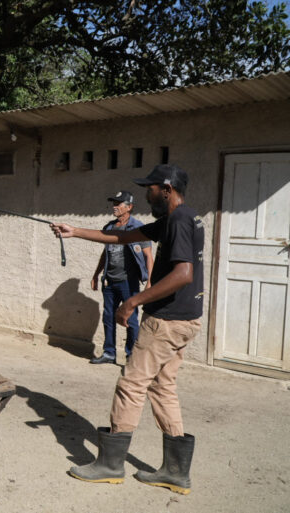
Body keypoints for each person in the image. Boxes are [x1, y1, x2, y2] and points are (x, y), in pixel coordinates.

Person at [50, 164, 204, 495]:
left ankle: (109, 465)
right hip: (186, 320)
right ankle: (175, 472)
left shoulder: (177, 220)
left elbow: (183, 274)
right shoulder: (184, 217)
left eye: (149, 188)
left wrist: (133, 301)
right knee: (162, 387)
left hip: (166, 320)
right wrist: (74, 231)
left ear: (165, 189)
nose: (145, 194)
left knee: (131, 384)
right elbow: (122, 236)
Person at [90, 191, 154, 364]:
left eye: (119, 204)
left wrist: (149, 281)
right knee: (108, 317)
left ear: (129, 207)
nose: (115, 207)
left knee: (131, 320)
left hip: (129, 282)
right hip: (109, 281)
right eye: (114, 203)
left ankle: (130, 356)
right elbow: (105, 253)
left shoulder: (138, 228)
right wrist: (96, 274)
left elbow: (148, 255)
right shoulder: (110, 227)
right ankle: (109, 353)